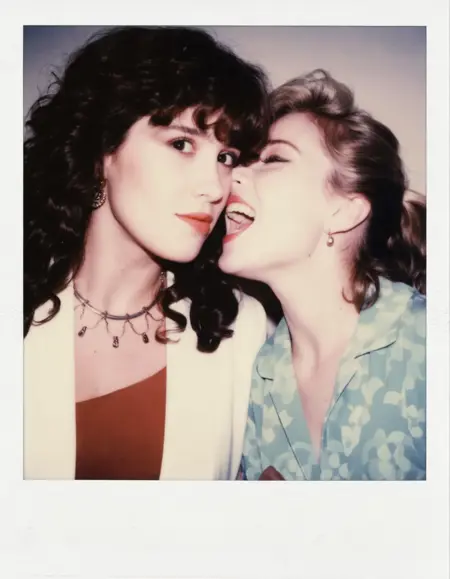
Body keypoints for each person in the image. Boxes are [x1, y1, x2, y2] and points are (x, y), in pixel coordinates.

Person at [24, 26, 271, 480]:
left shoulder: (241, 328)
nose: (215, 188)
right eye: (181, 144)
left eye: (226, 157)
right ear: (103, 149)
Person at [220, 69, 426, 480]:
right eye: (244, 161)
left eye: (274, 159)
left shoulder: (429, 345)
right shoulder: (258, 373)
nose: (233, 174)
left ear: (344, 212)